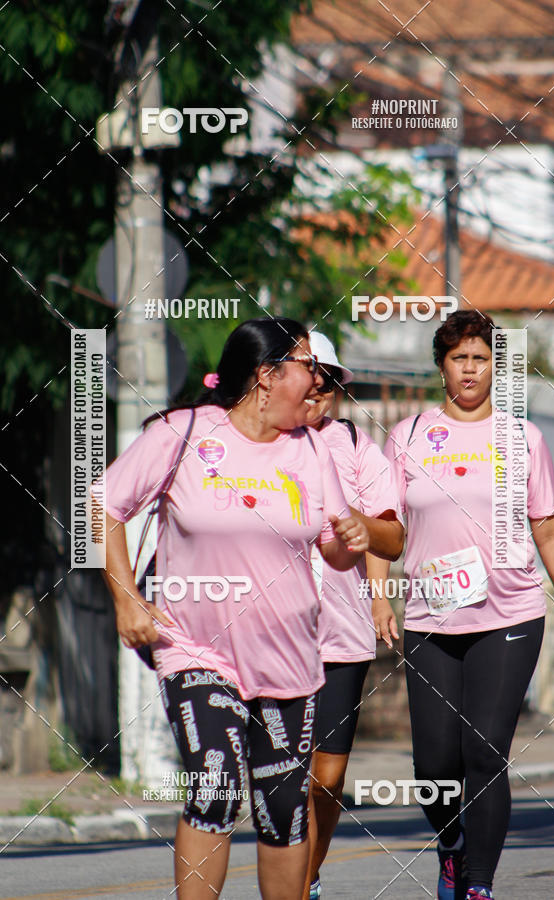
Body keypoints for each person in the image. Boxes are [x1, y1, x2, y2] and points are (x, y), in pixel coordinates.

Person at [94, 317, 370, 900]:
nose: (318, 382)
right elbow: (105, 504)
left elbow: (336, 556)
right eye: (307, 367)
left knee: (282, 809)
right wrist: (126, 599)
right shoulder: (184, 432)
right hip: (195, 649)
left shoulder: (312, 449)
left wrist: (351, 541)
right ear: (267, 376)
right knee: (214, 783)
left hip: (289, 662)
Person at [378, 310, 554, 900]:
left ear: (495, 365)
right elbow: (384, 524)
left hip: (512, 613)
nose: (470, 369)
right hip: (430, 617)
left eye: (480, 357)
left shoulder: (524, 437)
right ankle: (451, 847)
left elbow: (548, 529)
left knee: (484, 750)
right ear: (441, 367)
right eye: (458, 358)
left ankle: (479, 885)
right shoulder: (408, 435)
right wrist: (379, 596)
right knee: (433, 767)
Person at [301, 333, 404, 900]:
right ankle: (290, 883)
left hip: (341, 633)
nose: (319, 386)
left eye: (330, 377)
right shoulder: (263, 443)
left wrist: (379, 596)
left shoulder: (359, 446)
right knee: (286, 774)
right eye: (310, 373)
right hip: (273, 635)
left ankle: (309, 871)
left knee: (329, 776)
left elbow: (385, 528)